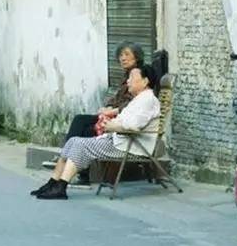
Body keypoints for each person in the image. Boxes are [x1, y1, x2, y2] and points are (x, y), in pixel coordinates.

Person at [32, 64, 161, 200]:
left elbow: (134, 126)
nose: (128, 81)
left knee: (81, 145)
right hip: (119, 141)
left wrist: (112, 126)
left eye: (132, 77)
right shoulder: (139, 99)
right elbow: (126, 121)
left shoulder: (148, 100)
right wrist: (110, 124)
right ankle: (52, 183)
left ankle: (61, 187)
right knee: (73, 141)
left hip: (129, 146)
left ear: (145, 81)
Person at [43, 42, 144, 191]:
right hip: (114, 115)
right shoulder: (127, 76)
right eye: (121, 55)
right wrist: (108, 106)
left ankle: (78, 171)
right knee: (80, 119)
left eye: (127, 55)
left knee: (88, 131)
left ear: (137, 57)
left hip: (121, 121)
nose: (123, 58)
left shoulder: (140, 76)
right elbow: (118, 98)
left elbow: (135, 103)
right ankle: (65, 157)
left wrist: (112, 111)